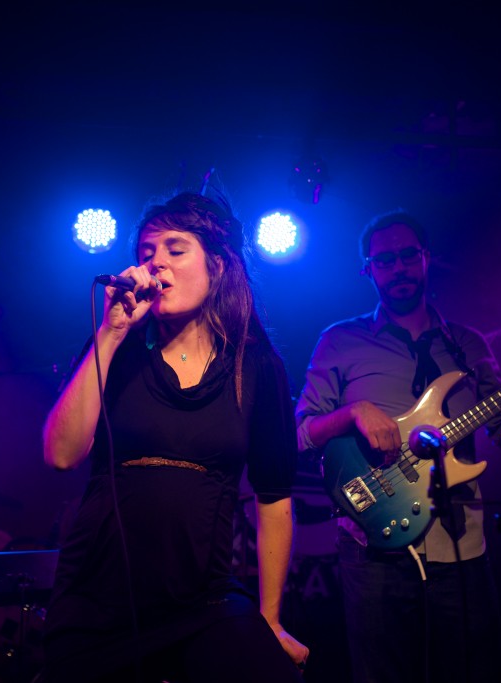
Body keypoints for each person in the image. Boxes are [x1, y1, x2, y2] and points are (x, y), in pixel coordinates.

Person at [294, 209, 501, 683]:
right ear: (367, 270)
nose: (398, 269)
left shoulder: (467, 346)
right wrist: (353, 412)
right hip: (371, 546)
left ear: (426, 259)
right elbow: (301, 432)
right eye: (385, 261)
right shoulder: (339, 341)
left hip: (460, 548)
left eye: (407, 257)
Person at [38, 189, 309, 682]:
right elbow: (60, 453)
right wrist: (111, 332)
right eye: (146, 253)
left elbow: (274, 501)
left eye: (175, 250)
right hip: (98, 597)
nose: (155, 263)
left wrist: (270, 619)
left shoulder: (258, 367)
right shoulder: (116, 349)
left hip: (203, 599)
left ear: (219, 266)